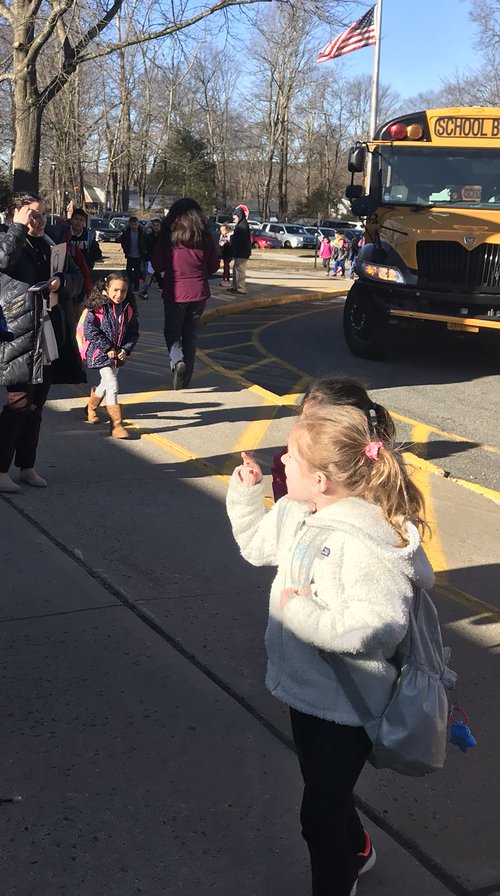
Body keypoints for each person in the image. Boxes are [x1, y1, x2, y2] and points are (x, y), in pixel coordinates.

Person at [226, 400, 434, 896]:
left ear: (321, 478)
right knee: (327, 799)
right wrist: (248, 494)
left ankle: (337, 879)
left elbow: (377, 626)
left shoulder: (364, 540)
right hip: (306, 691)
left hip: (349, 706)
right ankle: (359, 848)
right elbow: (257, 546)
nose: (283, 463)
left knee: (316, 817)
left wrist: (299, 613)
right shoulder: (301, 511)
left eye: (292, 459)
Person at [0, 193, 84, 492]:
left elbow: (77, 276)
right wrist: (17, 227)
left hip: (48, 331)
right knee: (18, 402)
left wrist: (62, 283)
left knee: (36, 406)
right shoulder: (1, 238)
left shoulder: (49, 243)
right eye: (32, 214)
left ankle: (26, 466)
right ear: (16, 214)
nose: (39, 220)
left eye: (42, 214)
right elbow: (0, 260)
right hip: (18, 331)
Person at [270, 377, 396, 500]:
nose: (303, 427)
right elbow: (281, 501)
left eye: (314, 424)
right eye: (303, 420)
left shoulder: (376, 470)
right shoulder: (292, 456)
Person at [151, 198, 219, 390]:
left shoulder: (168, 236)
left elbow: (157, 263)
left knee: (172, 332)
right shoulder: (204, 237)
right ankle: (185, 378)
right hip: (198, 292)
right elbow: (214, 266)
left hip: (175, 292)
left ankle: (177, 360)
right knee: (190, 335)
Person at [82, 271, 140, 438]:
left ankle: (91, 407)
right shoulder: (98, 307)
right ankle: (116, 425)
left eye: (123, 291)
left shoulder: (128, 310)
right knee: (113, 385)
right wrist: (107, 347)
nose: (119, 294)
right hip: (100, 354)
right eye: (115, 290)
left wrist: (125, 349)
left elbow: (133, 333)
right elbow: (90, 330)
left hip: (117, 356)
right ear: (106, 288)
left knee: (106, 385)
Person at [69, 208, 102, 275]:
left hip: (84, 269)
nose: (78, 222)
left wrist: (87, 261)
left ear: (84, 222)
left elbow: (97, 254)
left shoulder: (89, 236)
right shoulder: (64, 234)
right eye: (76, 219)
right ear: (71, 220)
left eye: (81, 220)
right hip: (68, 270)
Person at [227, 205, 252, 294]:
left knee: (240, 269)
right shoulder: (240, 224)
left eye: (234, 218)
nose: (233, 220)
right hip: (239, 252)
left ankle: (241, 288)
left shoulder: (242, 225)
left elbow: (240, 240)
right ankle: (235, 286)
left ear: (239, 216)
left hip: (242, 252)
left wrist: (233, 243)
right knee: (235, 269)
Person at [118, 215, 146, 290]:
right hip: (130, 255)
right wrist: (125, 250)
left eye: (136, 224)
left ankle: (136, 287)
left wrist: (143, 251)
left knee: (137, 272)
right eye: (132, 225)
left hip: (138, 255)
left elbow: (144, 242)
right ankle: (129, 286)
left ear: (138, 224)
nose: (134, 226)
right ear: (130, 225)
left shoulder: (141, 232)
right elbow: (123, 242)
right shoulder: (126, 232)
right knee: (129, 272)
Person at [139, 218, 163, 298]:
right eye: (154, 225)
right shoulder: (149, 236)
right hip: (152, 258)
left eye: (157, 225)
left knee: (163, 275)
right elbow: (146, 246)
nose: (156, 227)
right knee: (149, 274)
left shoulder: (163, 237)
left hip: (162, 259)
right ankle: (145, 291)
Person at [218, 221, 233, 287]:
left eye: (224, 230)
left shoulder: (230, 236)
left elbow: (231, 244)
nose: (222, 232)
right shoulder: (222, 236)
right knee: (225, 266)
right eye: (221, 230)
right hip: (224, 252)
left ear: (227, 230)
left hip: (229, 252)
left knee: (226, 265)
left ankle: (226, 279)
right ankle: (224, 279)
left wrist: (226, 243)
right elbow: (220, 243)